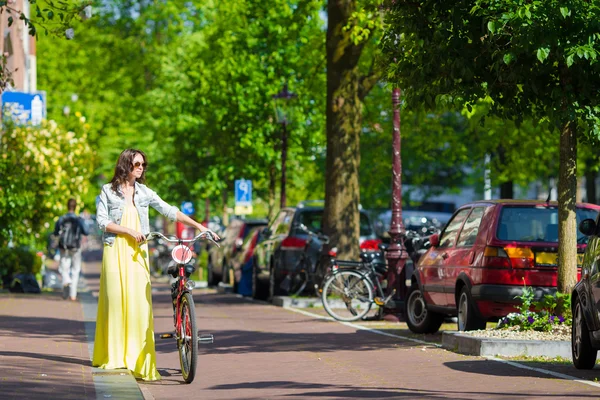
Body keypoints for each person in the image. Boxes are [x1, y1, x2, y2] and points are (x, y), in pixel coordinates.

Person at [92, 148, 219, 381]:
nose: (141, 168)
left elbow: (170, 211)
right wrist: (129, 231)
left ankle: (138, 359)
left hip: (138, 253)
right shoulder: (108, 191)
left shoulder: (144, 192)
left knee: (140, 305)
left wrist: (200, 226)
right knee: (116, 300)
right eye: (137, 164)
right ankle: (116, 356)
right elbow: (102, 222)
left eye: (143, 164)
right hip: (116, 250)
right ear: (125, 165)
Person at [53, 198, 89, 301]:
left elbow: (55, 232)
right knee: (76, 270)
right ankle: (73, 295)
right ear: (75, 206)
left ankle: (66, 280)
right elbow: (86, 232)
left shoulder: (61, 219)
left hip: (63, 246)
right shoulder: (79, 219)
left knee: (64, 267)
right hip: (75, 247)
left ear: (67, 206)